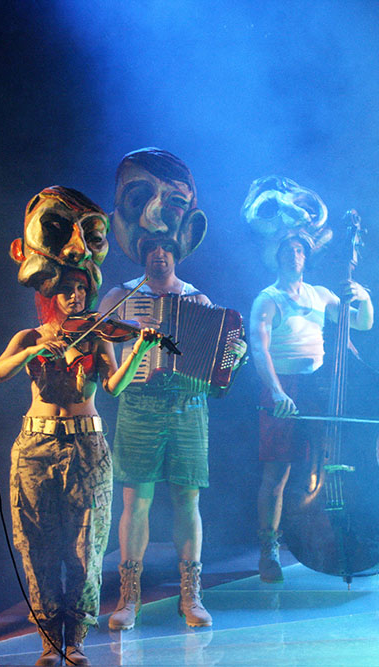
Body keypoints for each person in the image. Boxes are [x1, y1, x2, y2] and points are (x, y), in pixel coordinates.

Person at [0, 186, 159, 667]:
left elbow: (115, 387)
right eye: (67, 289)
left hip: (87, 445)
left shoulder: (101, 339)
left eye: (82, 290)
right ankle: (49, 640)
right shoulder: (31, 335)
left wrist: (141, 349)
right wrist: (34, 351)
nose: (75, 296)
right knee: (38, 545)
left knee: (86, 546)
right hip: (36, 445)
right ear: (54, 294)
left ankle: (77, 641)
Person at [99, 148, 246, 630]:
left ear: (176, 250)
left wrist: (233, 359)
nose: (158, 254)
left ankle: (191, 595)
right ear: (142, 251)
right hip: (140, 404)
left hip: (188, 406)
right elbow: (103, 357)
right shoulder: (121, 297)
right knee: (134, 501)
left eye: (165, 249)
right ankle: (128, 598)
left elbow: (218, 372)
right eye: (150, 249)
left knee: (188, 501)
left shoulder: (198, 300)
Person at [249, 232, 373, 581]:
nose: (294, 255)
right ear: (277, 256)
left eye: (300, 249)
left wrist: (361, 294)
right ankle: (269, 549)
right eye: (287, 249)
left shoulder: (320, 295)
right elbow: (259, 349)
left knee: (325, 462)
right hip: (282, 387)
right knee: (277, 473)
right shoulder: (267, 299)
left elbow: (363, 322)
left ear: (306, 257)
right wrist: (275, 391)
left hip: (316, 387)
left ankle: (323, 535)